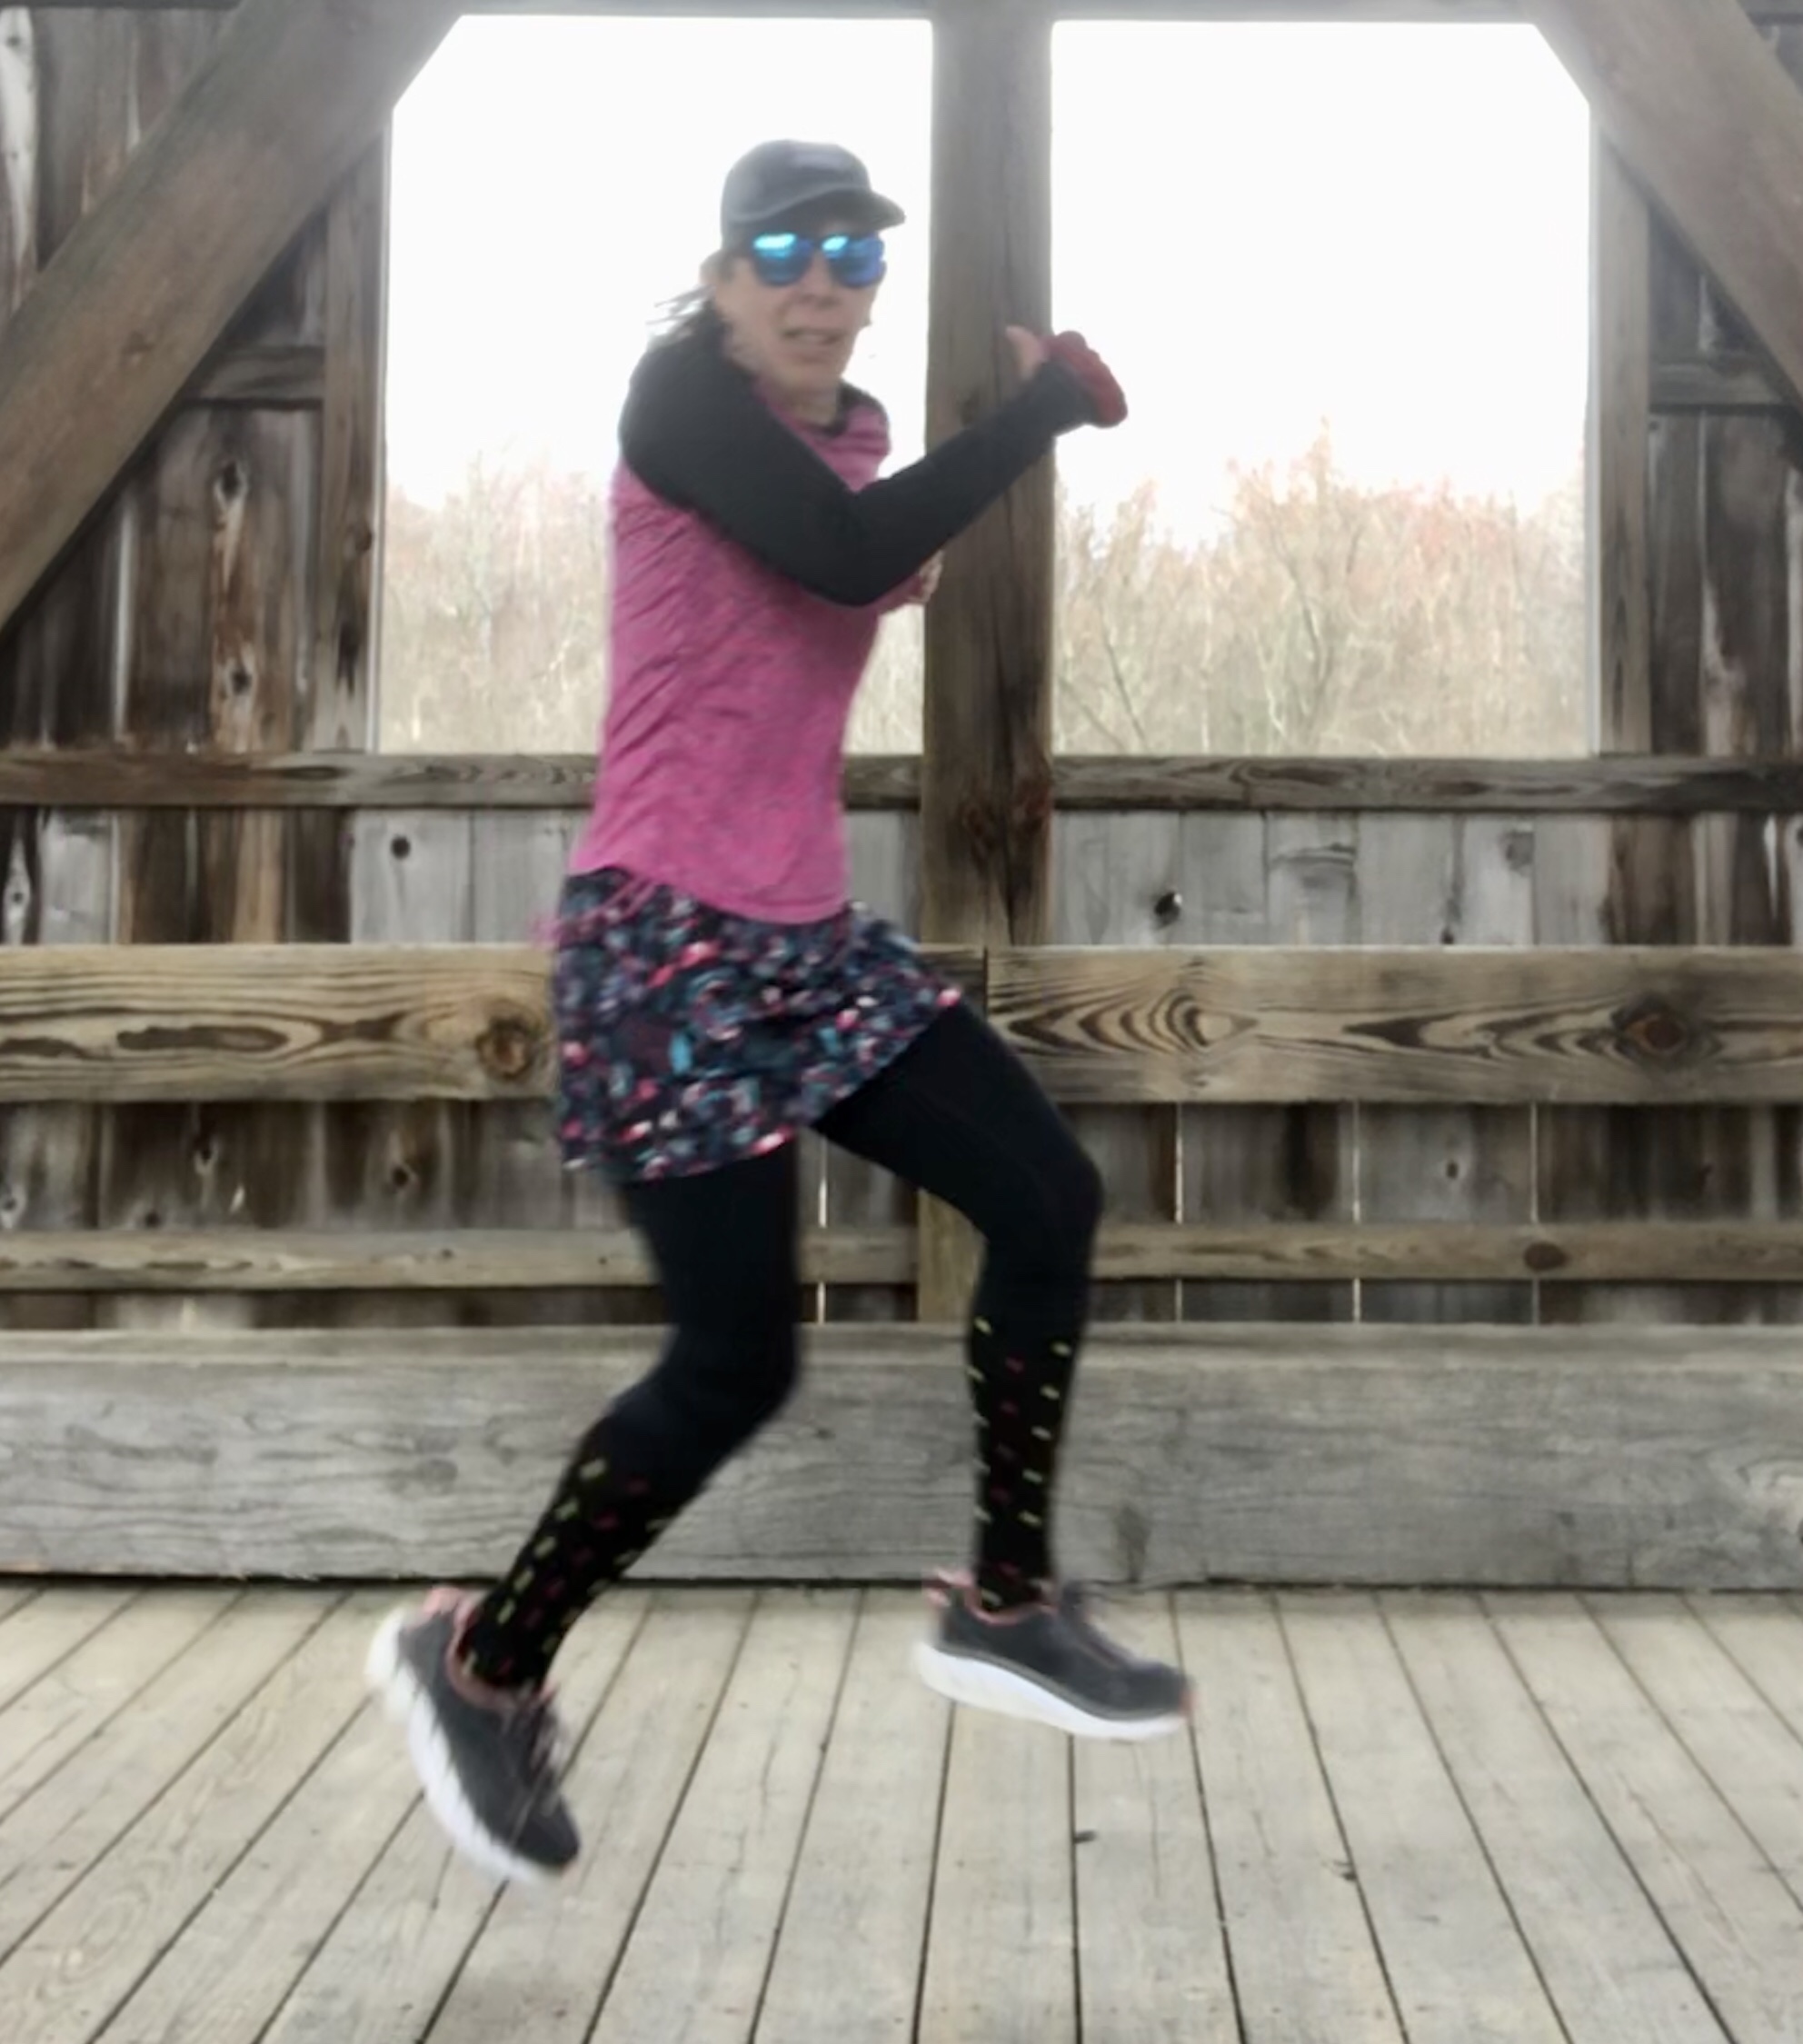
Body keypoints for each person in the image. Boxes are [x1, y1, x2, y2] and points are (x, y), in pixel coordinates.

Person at [366, 138, 1191, 1889]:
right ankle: (481, 1660)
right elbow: (838, 554)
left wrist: (947, 491)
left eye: (853, 254)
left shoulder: (856, 439)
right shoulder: (679, 400)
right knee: (737, 1361)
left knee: (1048, 1197)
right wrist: (1045, 409)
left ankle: (1007, 1604)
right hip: (663, 943)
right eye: (785, 253)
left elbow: (859, 540)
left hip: (807, 943)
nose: (822, 284)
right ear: (725, 278)